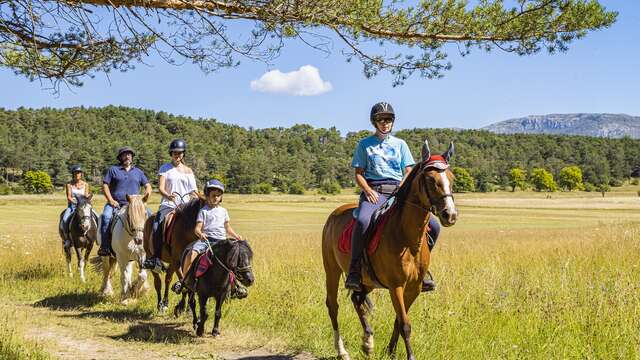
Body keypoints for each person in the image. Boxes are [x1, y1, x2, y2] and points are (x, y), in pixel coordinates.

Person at [344, 102, 441, 292]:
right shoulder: (364, 145)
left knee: (435, 226)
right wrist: (367, 190)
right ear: (374, 122)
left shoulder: (400, 144)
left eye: (388, 119)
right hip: (375, 191)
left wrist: (403, 187)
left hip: (398, 191)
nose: (385, 123)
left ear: (392, 122)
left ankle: (422, 270)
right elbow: (358, 173)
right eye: (380, 120)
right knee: (363, 221)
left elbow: (408, 170)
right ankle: (355, 270)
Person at [171, 179, 242, 293]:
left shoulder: (223, 211)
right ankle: (184, 281)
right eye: (213, 195)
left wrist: (235, 235)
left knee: (235, 255)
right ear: (207, 196)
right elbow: (197, 229)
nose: (215, 198)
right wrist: (200, 234)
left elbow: (227, 228)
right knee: (191, 253)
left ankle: (236, 285)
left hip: (221, 241)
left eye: (218, 196)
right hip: (206, 240)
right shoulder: (203, 211)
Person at [143, 139, 198, 273]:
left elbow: (194, 191)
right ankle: (155, 257)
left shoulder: (189, 171)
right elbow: (161, 188)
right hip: (168, 204)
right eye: (174, 153)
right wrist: (168, 196)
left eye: (180, 153)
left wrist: (201, 200)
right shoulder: (165, 168)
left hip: (185, 206)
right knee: (157, 223)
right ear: (171, 153)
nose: (177, 155)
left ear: (183, 154)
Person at [97, 146, 152, 256]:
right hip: (115, 203)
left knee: (151, 217)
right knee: (106, 217)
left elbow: (148, 186)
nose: (127, 156)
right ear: (120, 157)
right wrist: (111, 200)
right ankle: (105, 246)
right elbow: (105, 186)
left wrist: (145, 198)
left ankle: (152, 249)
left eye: (129, 154)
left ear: (132, 157)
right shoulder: (113, 170)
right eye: (124, 154)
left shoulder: (138, 172)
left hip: (134, 205)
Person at [60, 165, 91, 248]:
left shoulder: (86, 184)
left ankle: (95, 238)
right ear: (73, 174)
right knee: (64, 219)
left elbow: (86, 195)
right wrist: (74, 201)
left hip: (83, 207)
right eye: (76, 172)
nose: (77, 174)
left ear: (81, 174)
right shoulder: (69, 185)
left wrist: (88, 197)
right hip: (72, 206)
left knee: (97, 217)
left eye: (79, 172)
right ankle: (67, 239)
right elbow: (69, 197)